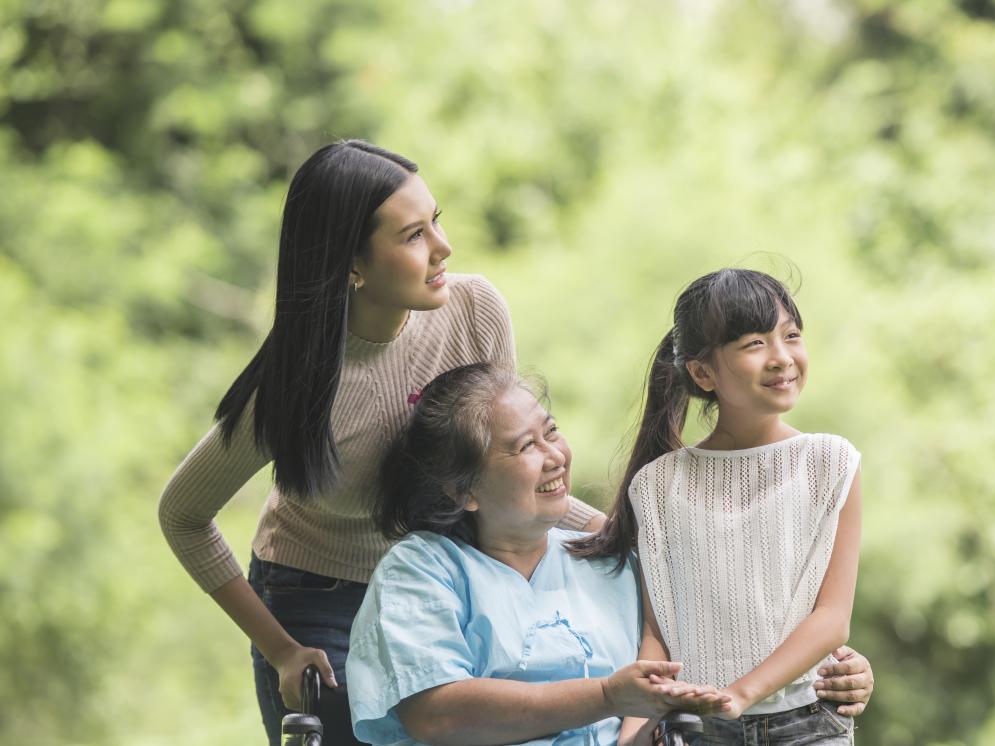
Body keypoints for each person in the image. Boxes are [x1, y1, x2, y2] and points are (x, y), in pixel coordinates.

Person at [156, 140, 605, 745]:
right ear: (352, 265)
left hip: (450, 583)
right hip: (323, 603)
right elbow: (183, 515)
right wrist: (281, 649)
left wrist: (619, 533)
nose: (443, 248)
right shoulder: (294, 389)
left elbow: (500, 476)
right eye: (414, 235)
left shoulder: (475, 310)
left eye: (436, 222)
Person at [349, 363, 733, 745]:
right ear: (462, 490)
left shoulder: (610, 564)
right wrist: (605, 696)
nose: (555, 457)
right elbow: (435, 714)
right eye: (526, 446)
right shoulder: (421, 569)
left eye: (551, 432)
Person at [569, 268, 862, 745]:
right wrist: (632, 737)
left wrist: (740, 694)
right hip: (697, 731)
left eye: (791, 336)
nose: (782, 357)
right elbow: (659, 634)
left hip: (808, 723)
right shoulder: (658, 486)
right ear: (703, 372)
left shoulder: (831, 463)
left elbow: (832, 619)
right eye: (754, 344)